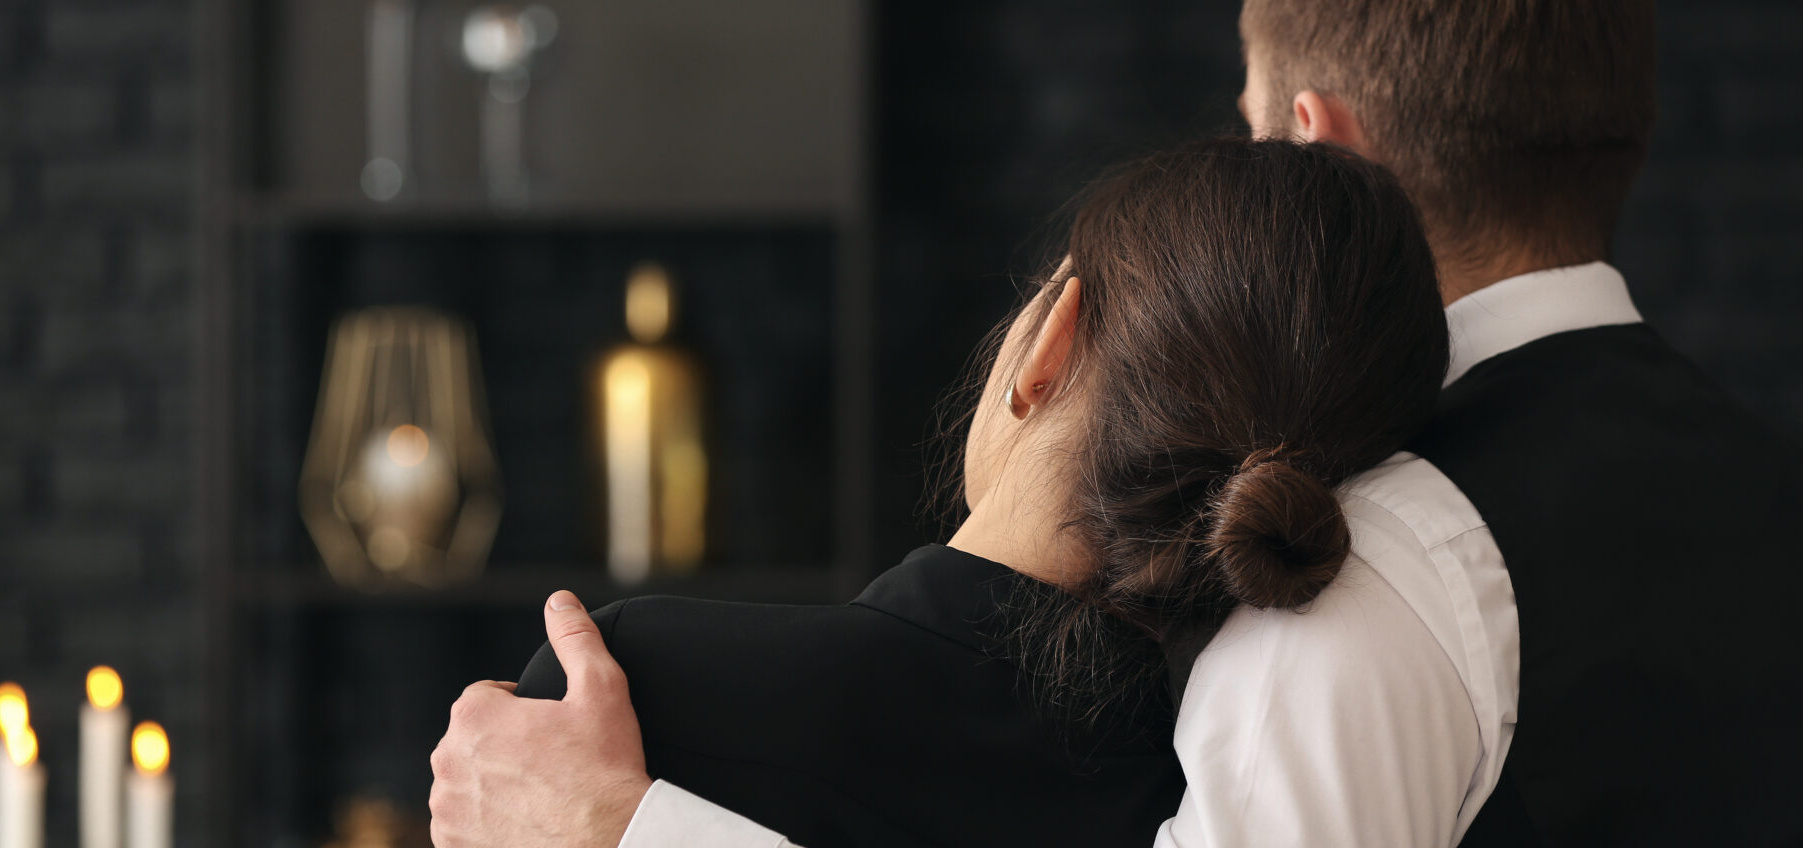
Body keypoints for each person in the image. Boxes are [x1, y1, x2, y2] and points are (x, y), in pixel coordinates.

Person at [430, 1, 1803, 845]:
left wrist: (632, 835)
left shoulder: (1368, 562)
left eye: (1250, 125)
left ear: (1314, 159)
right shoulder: (1759, 493)